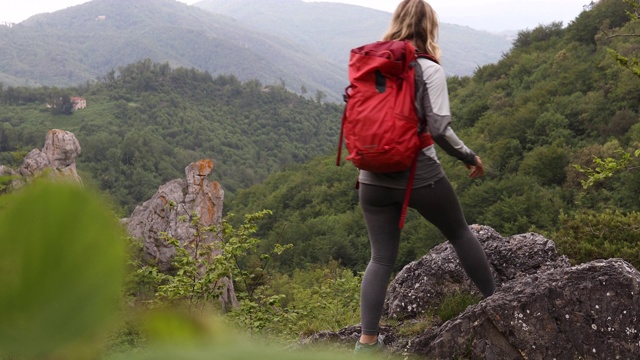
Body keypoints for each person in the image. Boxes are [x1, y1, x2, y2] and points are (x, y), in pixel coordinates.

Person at [354, 0, 496, 352]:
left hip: (370, 174)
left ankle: (366, 345)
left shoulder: (372, 65)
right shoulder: (428, 69)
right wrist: (468, 156)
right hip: (419, 173)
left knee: (380, 258)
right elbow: (439, 129)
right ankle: (498, 305)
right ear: (430, 27)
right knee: (460, 232)